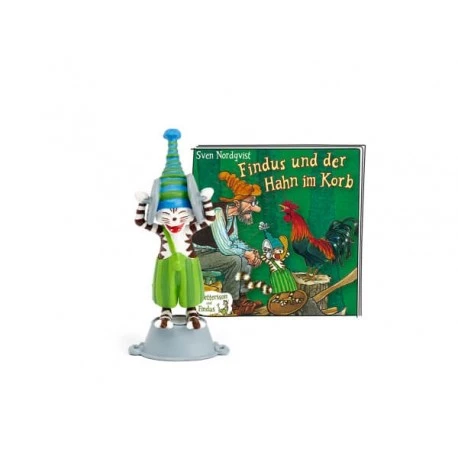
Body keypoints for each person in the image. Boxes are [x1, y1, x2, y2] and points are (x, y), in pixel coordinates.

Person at [193, 171, 263, 315]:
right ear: (237, 203)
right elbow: (225, 247)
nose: (254, 208)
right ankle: (231, 302)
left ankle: (241, 299)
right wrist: (246, 253)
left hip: (211, 252)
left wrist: (251, 252)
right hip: (194, 256)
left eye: (254, 203)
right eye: (251, 203)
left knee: (244, 258)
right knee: (235, 260)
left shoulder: (232, 216)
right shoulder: (217, 212)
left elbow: (234, 240)